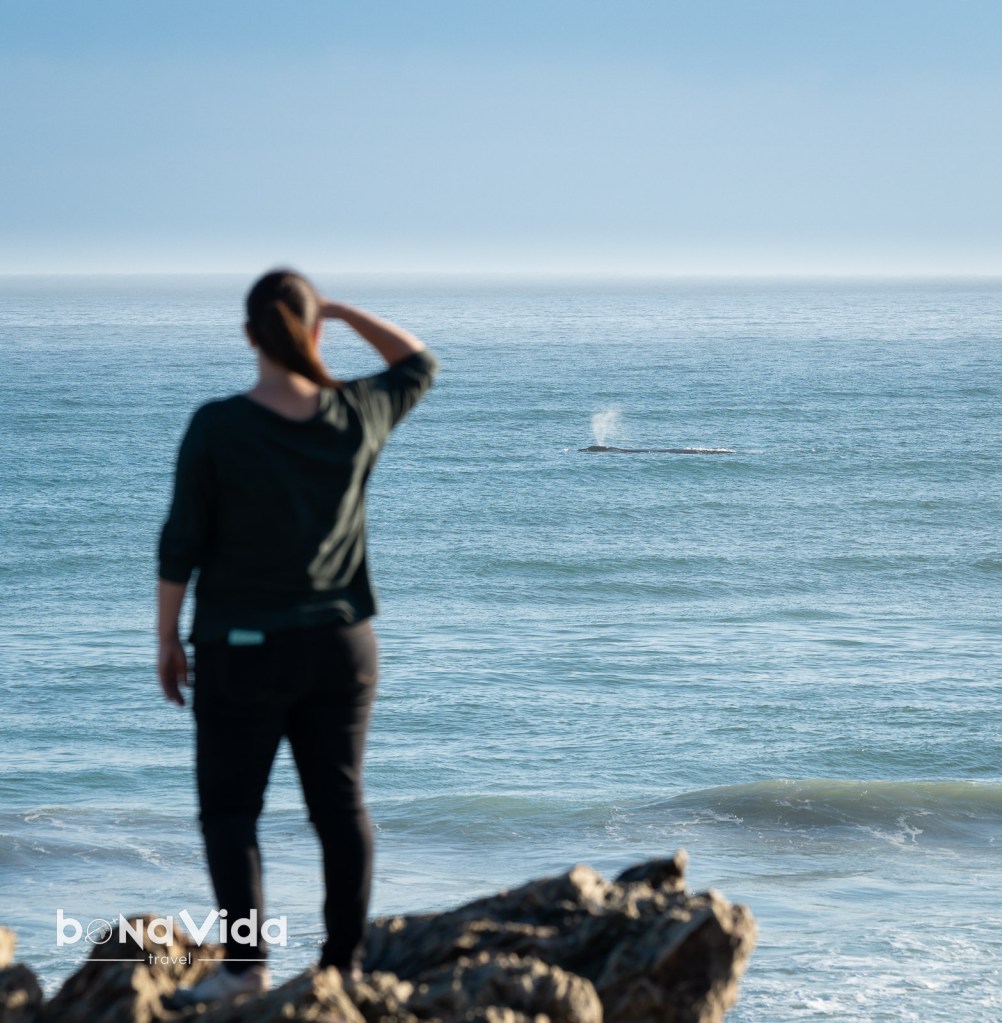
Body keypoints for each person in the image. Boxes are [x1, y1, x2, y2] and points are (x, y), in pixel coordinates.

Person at [156, 269, 438, 1005]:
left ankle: (245, 968)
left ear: (249, 335)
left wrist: (167, 638)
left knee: (230, 813)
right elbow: (418, 362)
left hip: (241, 649)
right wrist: (339, 311)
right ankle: (342, 968)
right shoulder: (356, 411)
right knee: (339, 808)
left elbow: (181, 541)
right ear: (313, 330)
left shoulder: (218, 425)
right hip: (343, 645)